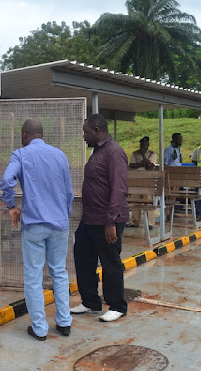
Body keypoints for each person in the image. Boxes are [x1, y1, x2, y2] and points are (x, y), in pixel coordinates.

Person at [0, 119, 74, 341]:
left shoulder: (20, 154)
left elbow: (6, 180)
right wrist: (63, 215)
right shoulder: (60, 155)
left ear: (24, 134)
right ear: (41, 134)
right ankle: (64, 322)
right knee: (59, 273)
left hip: (34, 225)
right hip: (59, 224)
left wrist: (12, 206)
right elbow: (69, 192)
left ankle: (40, 329)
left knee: (33, 277)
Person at [71, 113, 129, 322]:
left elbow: (119, 189)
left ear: (96, 130)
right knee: (83, 257)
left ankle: (117, 305)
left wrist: (111, 221)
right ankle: (90, 301)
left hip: (107, 220)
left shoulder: (113, 152)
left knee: (110, 262)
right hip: (89, 219)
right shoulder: (98, 152)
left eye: (85, 132)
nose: (84, 136)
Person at [127, 136, 158, 229]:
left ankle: (150, 223)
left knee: (148, 201)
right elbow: (131, 165)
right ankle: (135, 221)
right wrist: (143, 163)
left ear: (148, 145)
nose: (143, 146)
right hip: (136, 179)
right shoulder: (135, 154)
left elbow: (150, 166)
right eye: (141, 144)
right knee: (135, 200)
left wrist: (143, 156)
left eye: (145, 144)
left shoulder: (152, 154)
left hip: (147, 180)